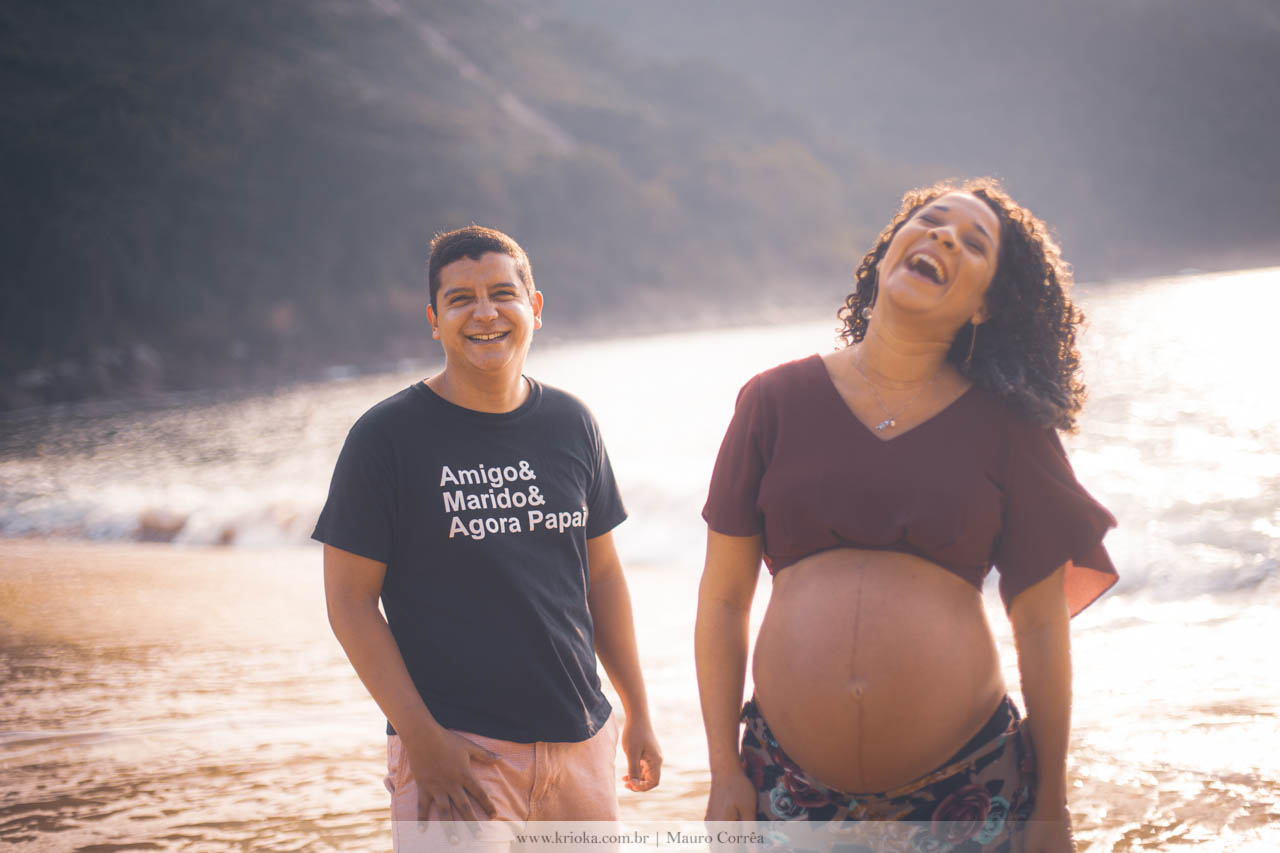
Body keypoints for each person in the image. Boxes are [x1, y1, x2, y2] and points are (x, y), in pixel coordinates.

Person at [696, 179, 1117, 852]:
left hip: (969, 787)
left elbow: (1040, 625)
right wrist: (723, 769)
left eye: (973, 243)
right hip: (785, 784)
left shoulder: (1009, 427)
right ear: (888, 251)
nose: (944, 236)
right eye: (929, 221)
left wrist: (1052, 805)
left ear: (983, 305)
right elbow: (722, 600)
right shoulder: (773, 400)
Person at [315, 226, 661, 849]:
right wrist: (422, 739)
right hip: (457, 749)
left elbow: (602, 576)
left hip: (579, 740)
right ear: (434, 319)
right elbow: (349, 602)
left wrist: (636, 708)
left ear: (535, 307)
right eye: (460, 299)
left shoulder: (571, 422)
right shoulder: (385, 437)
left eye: (503, 293)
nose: (485, 313)